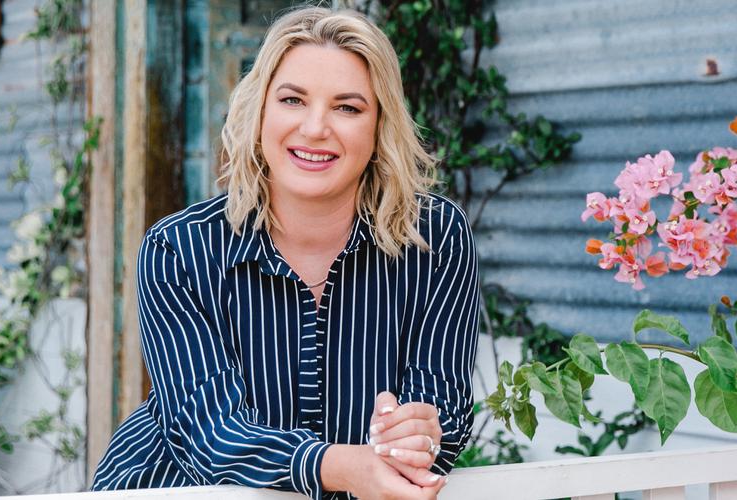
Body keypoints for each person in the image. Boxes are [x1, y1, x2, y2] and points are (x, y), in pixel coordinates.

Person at [90, 7, 479, 500]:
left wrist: (418, 435)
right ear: (259, 113)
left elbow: (443, 404)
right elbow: (209, 433)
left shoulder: (436, 239)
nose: (315, 128)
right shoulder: (178, 250)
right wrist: (337, 466)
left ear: (380, 125)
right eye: (292, 100)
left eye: (348, 108)